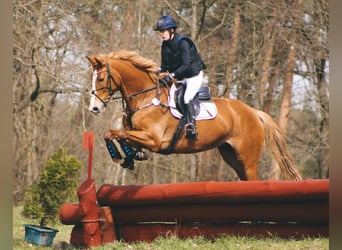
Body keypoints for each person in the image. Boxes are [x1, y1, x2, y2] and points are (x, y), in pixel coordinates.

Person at [155, 15, 206, 139]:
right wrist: (157, 72)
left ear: (171, 30)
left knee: (187, 98)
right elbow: (163, 67)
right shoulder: (165, 45)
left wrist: (171, 75)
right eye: (160, 32)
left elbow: (186, 65)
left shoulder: (182, 42)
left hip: (193, 76)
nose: (161, 34)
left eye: (163, 31)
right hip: (181, 77)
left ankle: (191, 125)